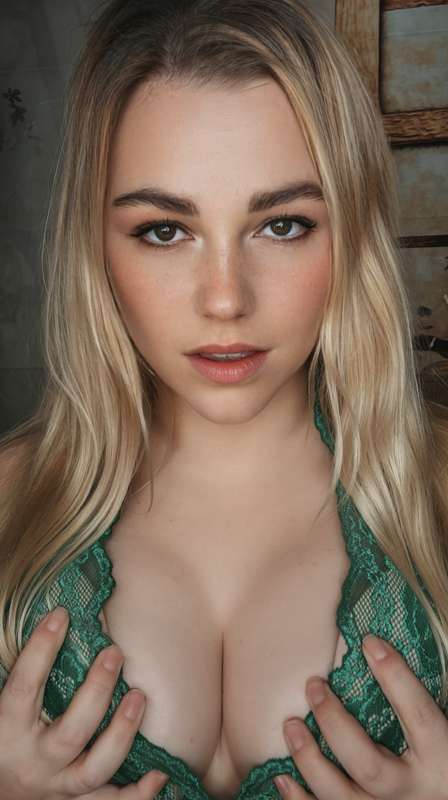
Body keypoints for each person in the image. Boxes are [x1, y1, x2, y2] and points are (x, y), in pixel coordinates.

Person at [0, 1, 447, 799]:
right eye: (164, 231)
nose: (225, 300)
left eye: (283, 225)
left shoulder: (439, 489)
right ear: (95, 245)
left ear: (349, 230)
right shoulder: (8, 500)